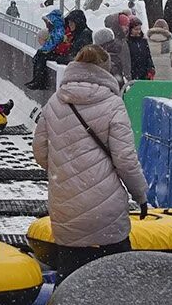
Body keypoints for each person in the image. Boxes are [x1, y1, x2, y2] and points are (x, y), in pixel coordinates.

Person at [32, 45, 146, 276]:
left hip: (66, 205)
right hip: (107, 207)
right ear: (104, 70)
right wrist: (140, 196)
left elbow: (40, 150)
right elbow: (125, 160)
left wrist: (63, 171)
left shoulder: (55, 102)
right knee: (117, 277)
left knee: (71, 276)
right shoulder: (113, 104)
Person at [26, 8, 73, 90]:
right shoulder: (56, 29)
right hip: (58, 52)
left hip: (60, 53)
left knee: (42, 57)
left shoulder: (58, 30)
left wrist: (43, 50)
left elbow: (52, 43)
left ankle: (39, 81)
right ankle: (36, 80)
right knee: (40, 56)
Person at [101, 13, 132, 80]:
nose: (127, 28)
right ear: (118, 26)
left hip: (121, 76)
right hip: (116, 76)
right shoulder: (113, 41)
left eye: (127, 26)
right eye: (124, 25)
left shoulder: (123, 39)